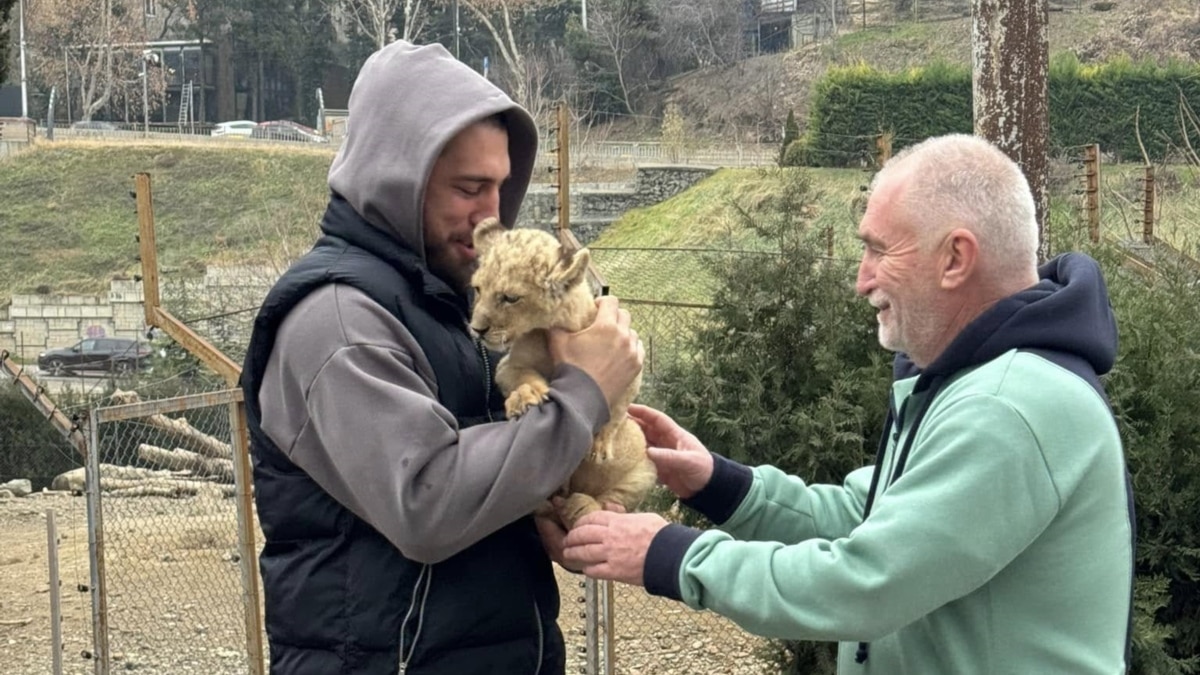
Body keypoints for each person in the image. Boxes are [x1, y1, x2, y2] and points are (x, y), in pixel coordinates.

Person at [562, 134, 1135, 673]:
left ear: (955, 259)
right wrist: (720, 484)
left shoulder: (1008, 406)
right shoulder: (968, 379)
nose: (861, 280)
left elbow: (867, 582)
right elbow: (869, 520)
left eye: (880, 251)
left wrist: (669, 554)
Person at [240, 40, 643, 674]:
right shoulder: (342, 322)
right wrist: (584, 395)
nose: (491, 214)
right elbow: (428, 501)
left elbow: (498, 466)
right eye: (468, 188)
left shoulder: (442, 298)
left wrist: (570, 490)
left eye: (501, 187)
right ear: (398, 176)